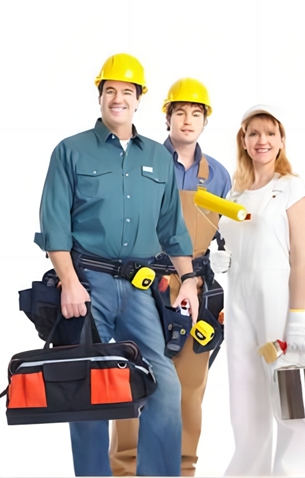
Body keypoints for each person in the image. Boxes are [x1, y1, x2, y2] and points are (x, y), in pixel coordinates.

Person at [34, 52, 197, 476]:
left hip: (141, 289)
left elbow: (173, 228)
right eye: (111, 91)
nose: (118, 98)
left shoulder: (159, 160)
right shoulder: (71, 151)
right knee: (88, 390)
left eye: (127, 91)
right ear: (101, 96)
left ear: (139, 98)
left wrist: (189, 279)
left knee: (163, 385)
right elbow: (54, 224)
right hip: (88, 284)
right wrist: (69, 282)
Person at [109, 77, 231, 477]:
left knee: (189, 388)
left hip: (194, 286)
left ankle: (182, 468)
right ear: (167, 118)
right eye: (180, 112)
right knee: (134, 379)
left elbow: (227, 236)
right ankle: (126, 468)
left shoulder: (218, 177)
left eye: (197, 113)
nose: (188, 120)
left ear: (205, 121)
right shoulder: (138, 162)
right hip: (142, 284)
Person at [212, 105, 305, 476]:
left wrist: (296, 317)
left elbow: (302, 256)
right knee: (246, 399)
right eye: (254, 133)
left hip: (278, 303)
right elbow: (231, 244)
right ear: (243, 140)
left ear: (281, 140)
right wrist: (221, 259)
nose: (262, 141)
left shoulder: (291, 187)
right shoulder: (236, 194)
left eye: (270, 133)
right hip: (240, 302)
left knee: (292, 398)